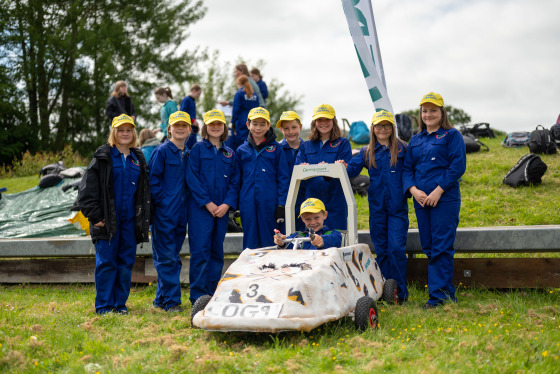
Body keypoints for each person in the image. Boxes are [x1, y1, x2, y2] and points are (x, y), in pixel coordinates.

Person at [78, 114, 150, 315]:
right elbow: (86, 191)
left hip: (129, 222)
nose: (125, 134)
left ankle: (120, 305)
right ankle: (103, 306)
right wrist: (95, 217)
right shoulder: (102, 157)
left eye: (128, 130)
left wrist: (143, 220)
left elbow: (144, 193)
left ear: (133, 133)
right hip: (106, 221)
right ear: (114, 132)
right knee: (107, 263)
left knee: (125, 264)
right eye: (121, 130)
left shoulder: (138, 158)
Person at [402, 92, 466, 309]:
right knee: (429, 246)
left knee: (441, 246)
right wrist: (413, 190)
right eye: (425, 111)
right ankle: (446, 293)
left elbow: (457, 166)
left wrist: (438, 191)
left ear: (442, 112)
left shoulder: (451, 136)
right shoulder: (416, 140)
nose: (428, 114)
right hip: (421, 201)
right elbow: (407, 168)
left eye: (433, 110)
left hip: (444, 200)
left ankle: (438, 298)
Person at [338, 110, 409, 303]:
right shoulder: (366, 152)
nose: (383, 129)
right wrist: (342, 166)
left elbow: (411, 171)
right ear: (373, 129)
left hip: (397, 209)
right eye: (379, 126)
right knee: (382, 250)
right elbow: (351, 170)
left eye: (386, 125)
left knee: (396, 249)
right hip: (377, 209)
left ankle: (400, 293)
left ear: (392, 128)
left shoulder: (402, 149)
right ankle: (385, 291)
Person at [186, 109, 240, 305]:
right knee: (200, 251)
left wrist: (226, 204)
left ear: (224, 127)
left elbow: (235, 181)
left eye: (219, 124)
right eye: (212, 124)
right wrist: (208, 203)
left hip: (222, 211)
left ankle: (213, 292)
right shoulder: (197, 150)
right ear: (205, 127)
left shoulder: (230, 153)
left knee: (217, 251)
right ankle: (198, 297)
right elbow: (192, 179)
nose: (216, 127)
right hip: (201, 209)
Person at [148, 111, 192, 312]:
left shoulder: (188, 153)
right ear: (169, 129)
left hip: (181, 214)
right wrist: (163, 203)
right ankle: (173, 302)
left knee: (172, 256)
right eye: (177, 125)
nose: (180, 128)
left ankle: (160, 300)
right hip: (164, 214)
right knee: (166, 258)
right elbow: (153, 180)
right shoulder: (162, 151)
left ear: (190, 130)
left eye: (184, 125)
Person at [235, 107, 289, 249]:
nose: (258, 128)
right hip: (247, 203)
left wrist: (281, 204)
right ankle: (250, 270)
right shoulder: (241, 150)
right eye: (254, 123)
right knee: (250, 242)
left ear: (268, 125)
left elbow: (283, 178)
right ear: (248, 125)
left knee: (270, 240)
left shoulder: (277, 149)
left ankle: (271, 271)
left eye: (262, 124)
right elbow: (236, 179)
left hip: (269, 204)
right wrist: (236, 205)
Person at [295, 104, 353, 231]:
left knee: (337, 239)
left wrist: (337, 168)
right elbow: (298, 169)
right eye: (320, 120)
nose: (323, 123)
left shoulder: (343, 144)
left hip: (335, 200)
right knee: (313, 242)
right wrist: (303, 168)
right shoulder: (306, 145)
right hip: (311, 201)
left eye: (327, 119)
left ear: (334, 121)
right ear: (314, 122)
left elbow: (348, 170)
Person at [273, 198, 342, 250]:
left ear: (325, 215)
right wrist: (281, 242)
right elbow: (286, 246)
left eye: (316, 218)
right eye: (308, 219)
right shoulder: (297, 236)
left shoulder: (334, 234)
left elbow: (334, 240)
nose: (313, 222)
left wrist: (321, 241)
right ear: (302, 219)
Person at [276, 110, 305, 232]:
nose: (291, 132)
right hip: (284, 199)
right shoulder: (277, 149)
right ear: (281, 130)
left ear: (300, 127)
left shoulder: (308, 148)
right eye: (286, 128)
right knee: (286, 235)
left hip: (304, 198)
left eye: (294, 127)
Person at [229, 75, 258, 150]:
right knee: (252, 142)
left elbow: (236, 109)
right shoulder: (255, 95)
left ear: (239, 83)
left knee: (241, 144)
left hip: (241, 121)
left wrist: (233, 123)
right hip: (253, 122)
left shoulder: (239, 94)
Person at [180, 84, 202, 149]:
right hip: (187, 127)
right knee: (187, 146)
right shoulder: (186, 100)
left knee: (194, 146)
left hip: (192, 128)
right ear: (194, 91)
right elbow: (183, 113)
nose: (198, 96)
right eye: (198, 94)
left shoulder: (193, 101)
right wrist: (192, 120)